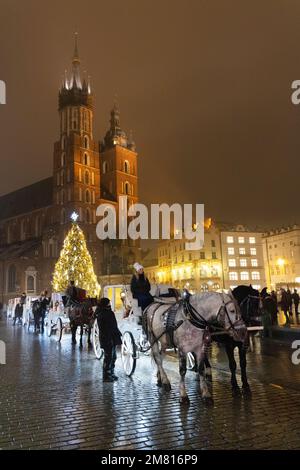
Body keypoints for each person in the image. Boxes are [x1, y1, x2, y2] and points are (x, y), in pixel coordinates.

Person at [95, 297, 122, 382]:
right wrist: (110, 336)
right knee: (108, 357)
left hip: (112, 337)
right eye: (108, 303)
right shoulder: (102, 314)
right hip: (107, 338)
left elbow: (114, 326)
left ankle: (111, 373)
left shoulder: (108, 313)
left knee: (113, 356)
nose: (109, 305)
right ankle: (106, 375)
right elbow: (104, 328)